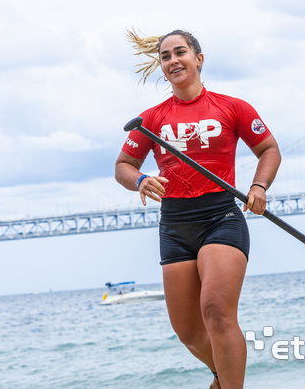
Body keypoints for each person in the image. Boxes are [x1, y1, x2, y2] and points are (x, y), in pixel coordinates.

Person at [114, 30, 281, 389]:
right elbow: (123, 165)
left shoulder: (233, 107)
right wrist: (140, 179)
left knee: (216, 313)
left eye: (180, 52)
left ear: (198, 59)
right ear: (162, 66)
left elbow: (269, 149)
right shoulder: (151, 119)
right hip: (174, 225)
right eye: (165, 56)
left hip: (220, 217)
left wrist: (258, 186)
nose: (173, 60)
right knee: (188, 331)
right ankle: (223, 374)